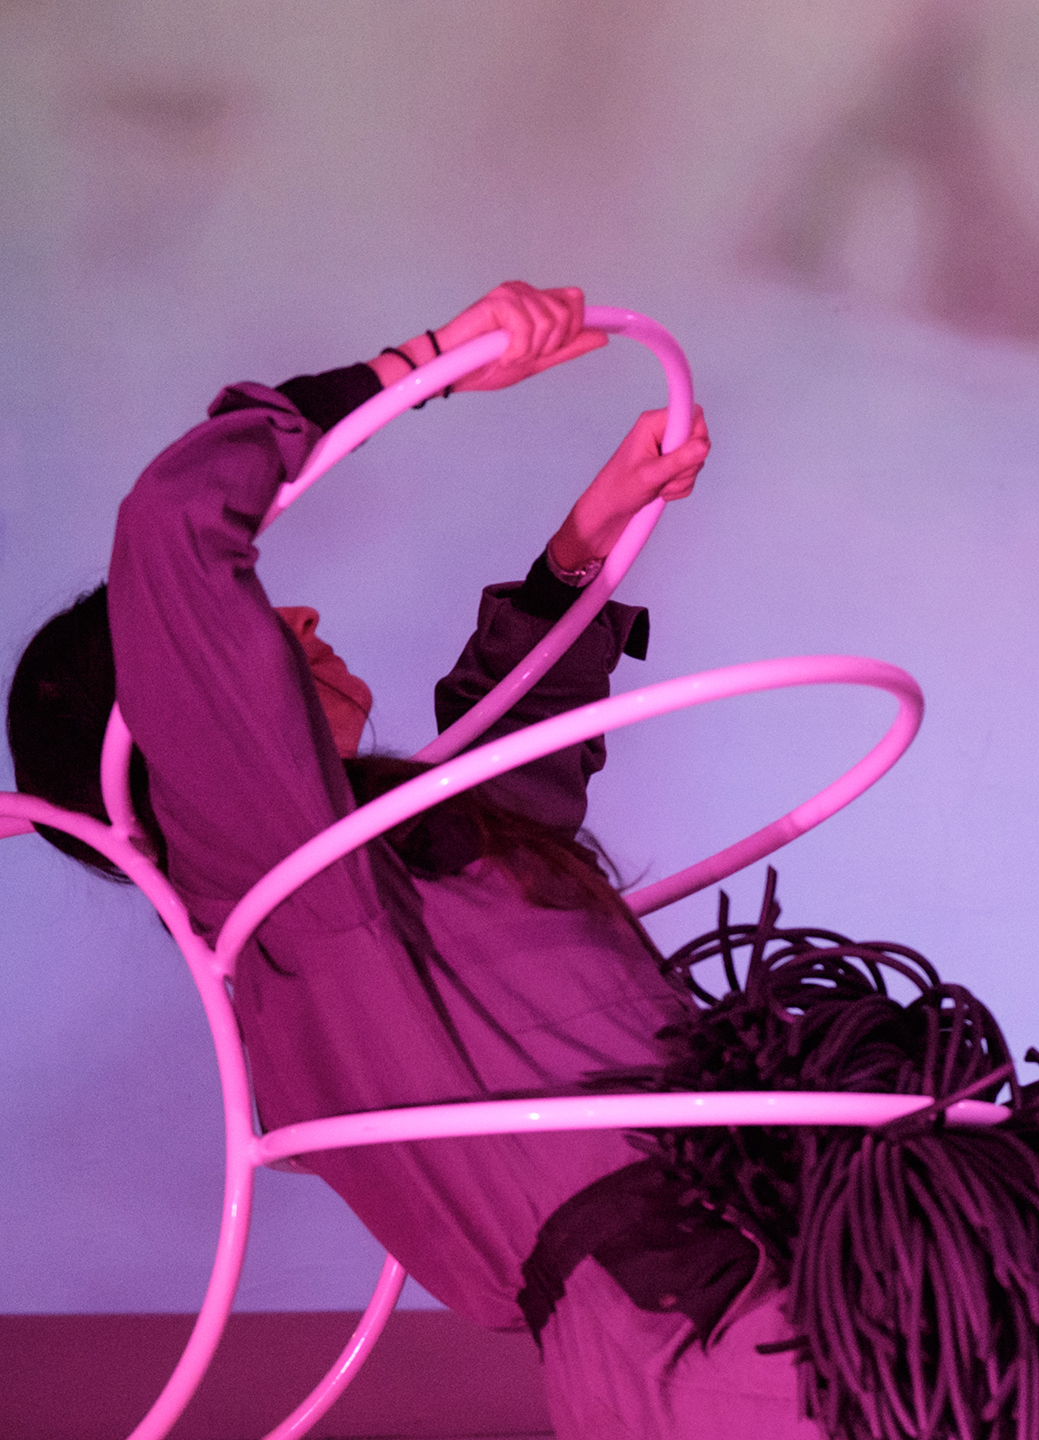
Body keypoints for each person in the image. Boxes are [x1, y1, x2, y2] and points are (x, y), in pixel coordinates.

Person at [5, 282, 817, 1439]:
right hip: (718, 1336)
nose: (300, 622)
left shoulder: (391, 868)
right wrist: (428, 362)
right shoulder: (286, 897)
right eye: (243, 633)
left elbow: (511, 768)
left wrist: (581, 549)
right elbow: (174, 524)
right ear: (173, 730)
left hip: (814, 1238)